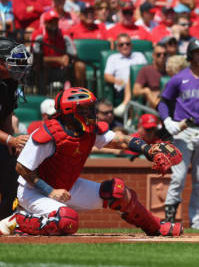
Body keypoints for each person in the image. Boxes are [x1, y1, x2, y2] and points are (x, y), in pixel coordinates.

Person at [0, 87, 183, 237]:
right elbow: (22, 167)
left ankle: (155, 227)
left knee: (118, 192)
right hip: (34, 192)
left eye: (90, 108)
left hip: (66, 186)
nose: (91, 113)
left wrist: (147, 149)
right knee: (67, 220)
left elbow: (120, 140)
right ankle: (18, 221)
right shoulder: (48, 135)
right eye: (84, 109)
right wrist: (51, 191)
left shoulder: (89, 130)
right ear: (70, 112)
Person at [157, 39, 199, 230]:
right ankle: (169, 218)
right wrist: (168, 121)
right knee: (178, 177)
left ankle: (197, 221)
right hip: (183, 131)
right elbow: (163, 102)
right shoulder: (179, 78)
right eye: (197, 52)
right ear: (190, 55)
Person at [0, 39, 31, 220]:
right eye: (13, 61)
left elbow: (5, 114)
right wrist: (10, 140)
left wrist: (12, 142)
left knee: (13, 171)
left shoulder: (10, 82)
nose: (18, 67)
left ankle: (4, 221)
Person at [104, 33, 147, 116]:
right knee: (129, 79)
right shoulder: (113, 58)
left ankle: (125, 105)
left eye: (127, 44)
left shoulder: (139, 56)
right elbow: (107, 76)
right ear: (117, 47)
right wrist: (117, 81)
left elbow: (146, 72)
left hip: (139, 85)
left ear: (132, 45)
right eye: (121, 44)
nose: (125, 46)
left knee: (132, 79)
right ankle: (131, 117)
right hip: (122, 86)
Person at [133, 42, 167, 108]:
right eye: (159, 54)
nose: (162, 56)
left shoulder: (170, 70)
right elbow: (135, 91)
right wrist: (147, 91)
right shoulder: (146, 70)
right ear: (153, 55)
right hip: (152, 103)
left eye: (164, 54)